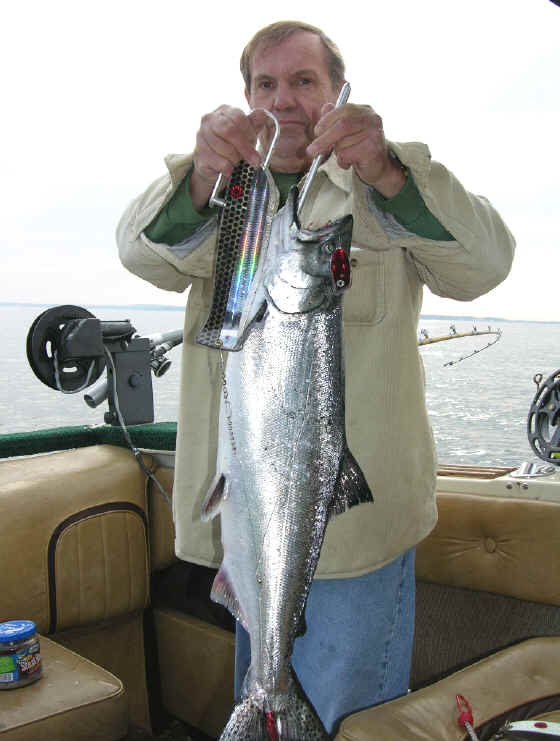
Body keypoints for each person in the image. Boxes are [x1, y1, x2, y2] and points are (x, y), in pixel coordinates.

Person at [117, 20, 515, 735]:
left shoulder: (380, 186)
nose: (284, 100)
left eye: (305, 81)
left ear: (339, 93)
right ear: (246, 98)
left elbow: (486, 265)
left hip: (360, 539)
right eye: (266, 84)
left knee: (352, 723)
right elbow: (140, 252)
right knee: (269, 700)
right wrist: (202, 175)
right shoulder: (221, 195)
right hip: (252, 521)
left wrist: (391, 172)